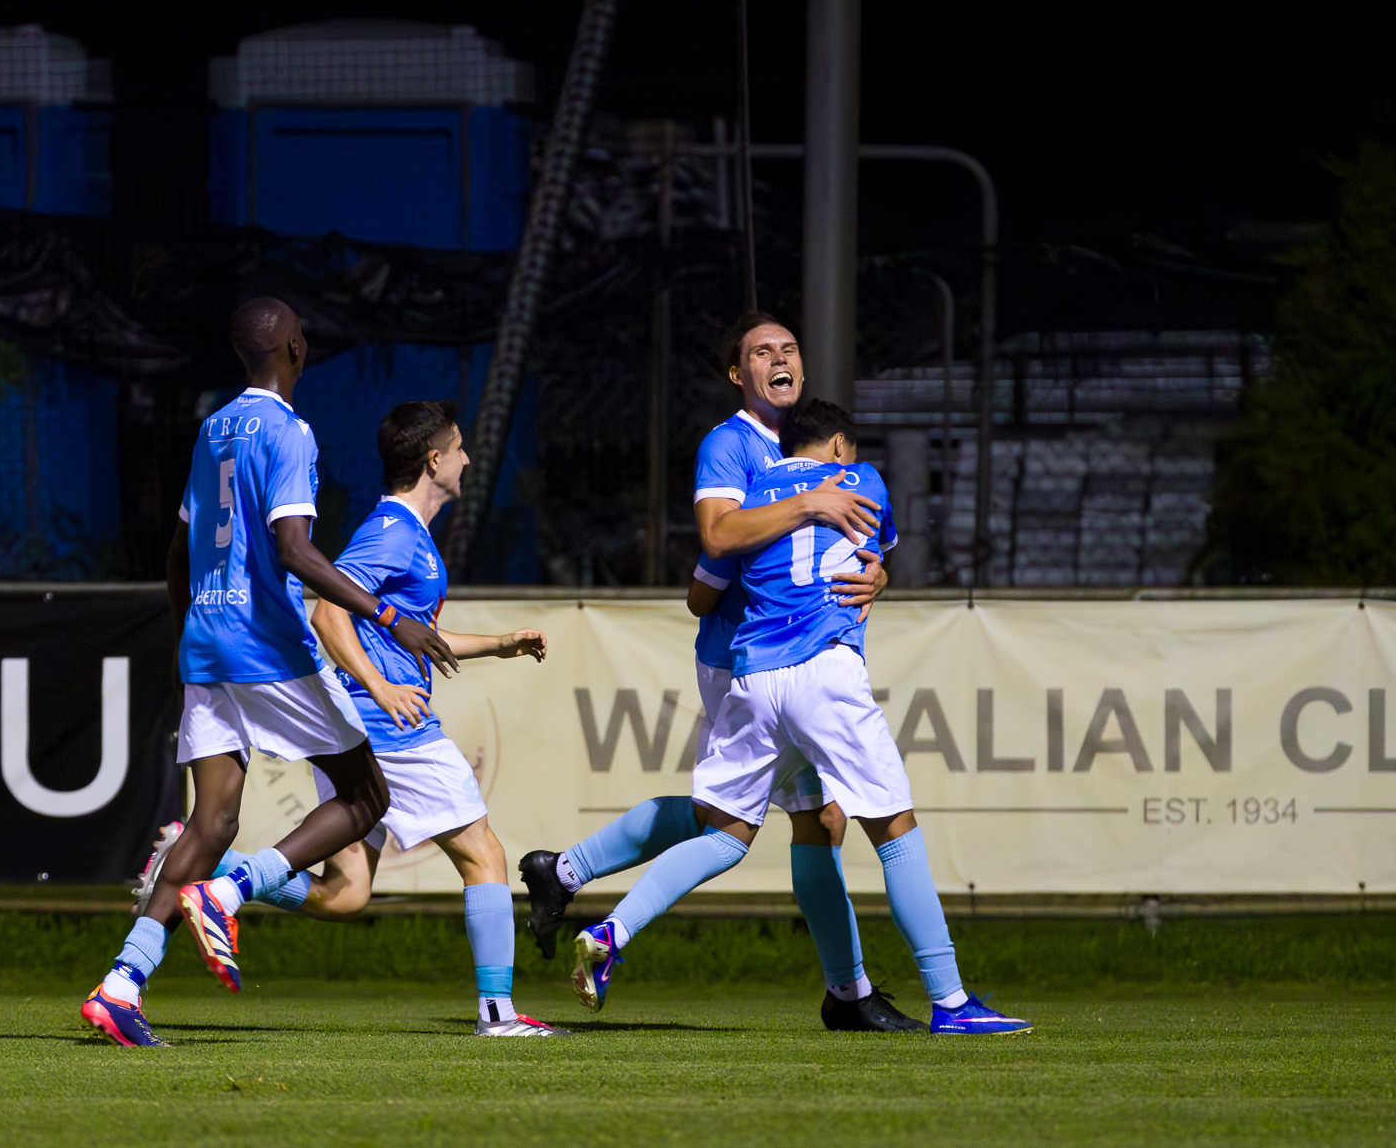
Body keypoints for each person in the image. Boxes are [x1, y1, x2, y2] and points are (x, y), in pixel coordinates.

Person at [568, 398, 1032, 1035]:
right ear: (839, 444)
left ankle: (612, 931)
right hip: (822, 670)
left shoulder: (752, 500)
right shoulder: (859, 478)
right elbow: (875, 551)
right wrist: (877, 572)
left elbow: (703, 592)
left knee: (729, 833)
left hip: (753, 679)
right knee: (894, 828)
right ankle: (950, 1001)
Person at [519, 311, 922, 1032]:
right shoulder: (730, 443)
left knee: (803, 818)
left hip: (784, 656)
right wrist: (808, 503)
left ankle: (569, 874)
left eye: (788, 347)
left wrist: (877, 575)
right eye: (761, 351)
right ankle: (847, 992)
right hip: (748, 656)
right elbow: (715, 539)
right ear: (738, 374)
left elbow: (840, 547)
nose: (780, 357)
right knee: (739, 826)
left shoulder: (800, 450)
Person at [82, 299, 457, 1049]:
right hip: (265, 644)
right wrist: (392, 619)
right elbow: (295, 550)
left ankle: (121, 986)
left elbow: (178, 553)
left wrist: (192, 638)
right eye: (302, 333)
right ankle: (226, 893)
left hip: (207, 641)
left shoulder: (212, 429)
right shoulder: (290, 431)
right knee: (367, 795)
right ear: (292, 346)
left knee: (212, 821)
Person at [143, 401, 568, 1037]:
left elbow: (406, 633)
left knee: (345, 895)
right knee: (484, 854)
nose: (468, 459)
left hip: (364, 726)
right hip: (392, 729)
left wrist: (498, 643)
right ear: (434, 461)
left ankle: (216, 875)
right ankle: (497, 1014)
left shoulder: (407, 533)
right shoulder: (393, 531)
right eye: (459, 448)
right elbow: (330, 612)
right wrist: (381, 687)